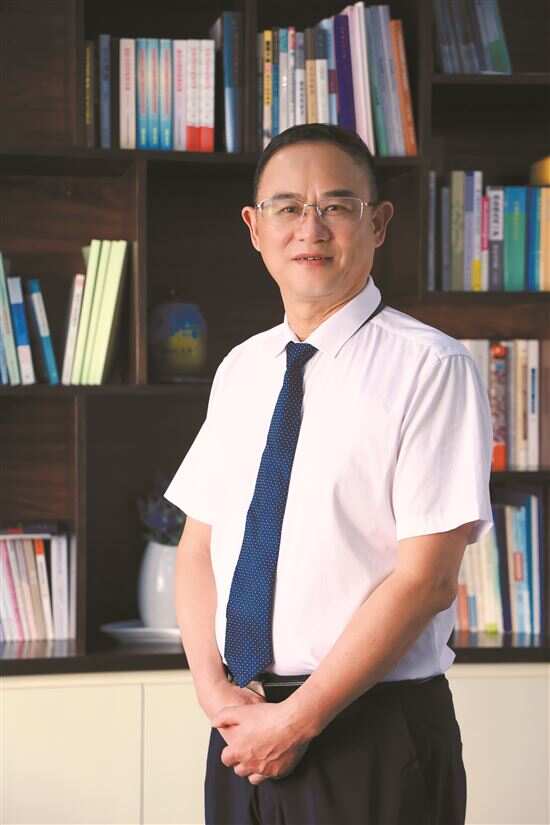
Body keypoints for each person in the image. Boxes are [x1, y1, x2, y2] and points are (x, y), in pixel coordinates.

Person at [164, 123, 493, 825]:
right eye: (287, 207)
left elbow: (427, 579)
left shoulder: (431, 367)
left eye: (336, 206)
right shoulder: (242, 368)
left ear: (378, 223)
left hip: (372, 730)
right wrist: (215, 694)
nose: (310, 228)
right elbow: (197, 547)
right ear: (255, 228)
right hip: (243, 726)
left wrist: (297, 721)